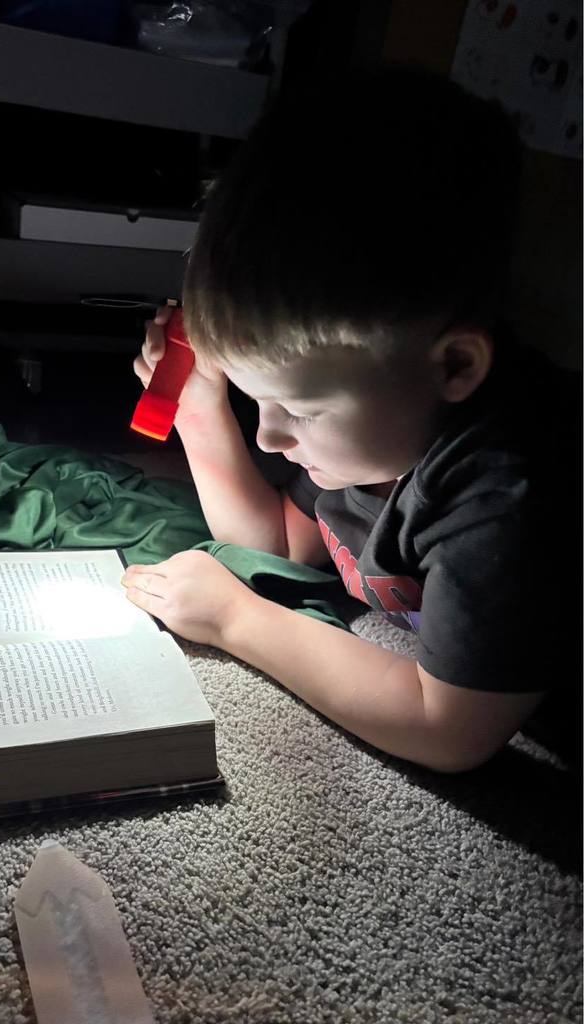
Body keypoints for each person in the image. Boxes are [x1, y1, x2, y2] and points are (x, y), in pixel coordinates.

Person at [121, 66, 581, 774]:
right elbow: (283, 543)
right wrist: (200, 414)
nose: (270, 438)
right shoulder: (377, 423)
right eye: (255, 400)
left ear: (454, 368)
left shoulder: (509, 489)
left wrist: (238, 621)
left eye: (299, 410)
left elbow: (446, 728)